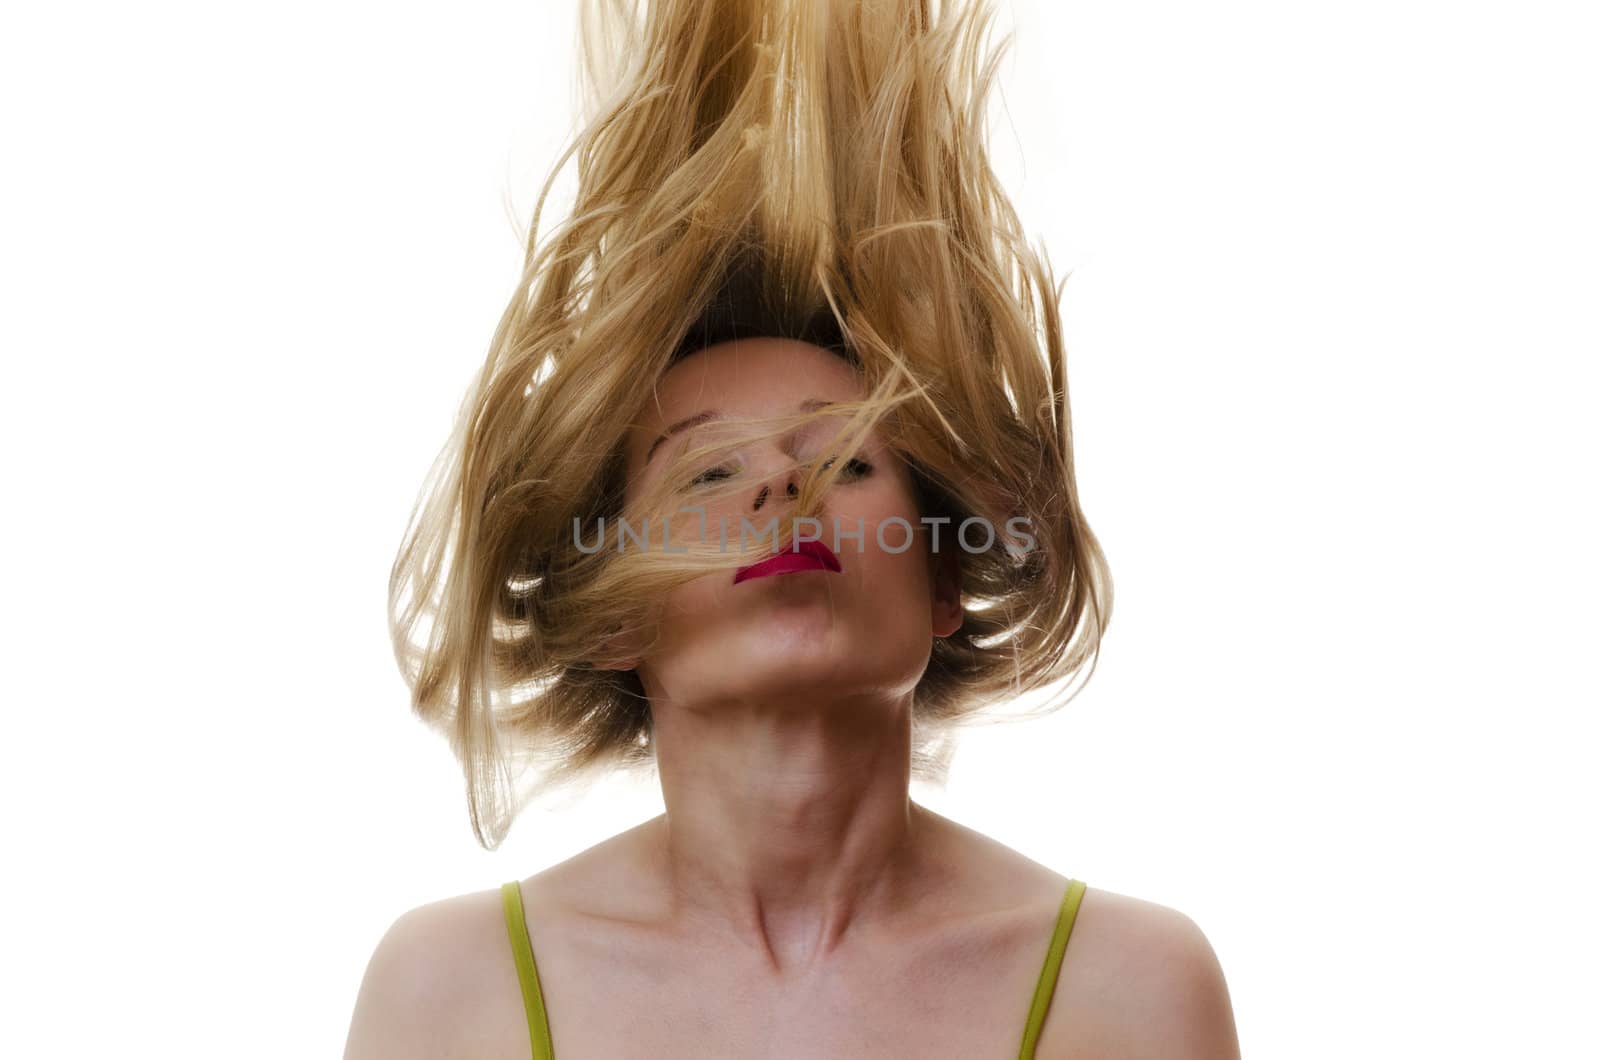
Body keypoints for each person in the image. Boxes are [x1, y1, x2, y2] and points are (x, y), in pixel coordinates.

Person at [345, 0, 1239, 1056]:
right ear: (607, 618)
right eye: (712, 467)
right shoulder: (453, 990)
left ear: (942, 582)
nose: (782, 484)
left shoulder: (1128, 985)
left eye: (845, 460)